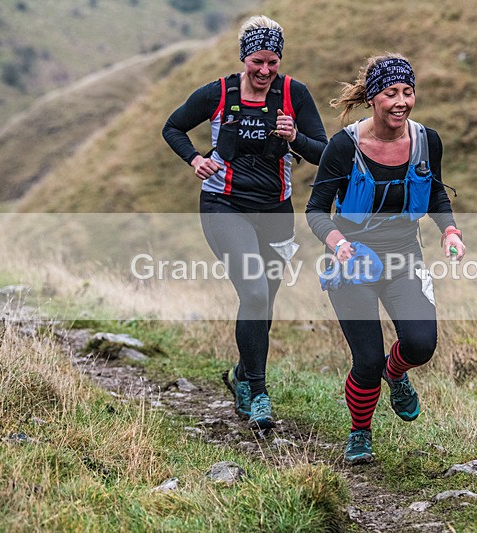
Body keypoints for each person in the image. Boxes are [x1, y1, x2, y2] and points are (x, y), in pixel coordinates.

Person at [162, 15, 327, 430]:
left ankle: (241, 375)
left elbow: (324, 153)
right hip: (224, 206)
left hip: (275, 211)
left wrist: (295, 139)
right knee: (253, 289)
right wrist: (195, 159)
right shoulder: (219, 92)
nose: (265, 71)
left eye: (273, 62)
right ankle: (258, 391)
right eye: (258, 62)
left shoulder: (294, 94)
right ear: (243, 57)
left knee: (263, 304)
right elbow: (173, 126)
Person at [305, 53, 466, 464]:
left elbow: (434, 194)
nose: (401, 101)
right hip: (352, 262)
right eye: (391, 92)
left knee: (420, 343)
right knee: (367, 358)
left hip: (403, 257)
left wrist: (449, 230)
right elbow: (315, 211)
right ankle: (360, 432)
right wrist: (338, 243)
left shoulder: (426, 141)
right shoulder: (344, 146)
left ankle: (395, 374)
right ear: (373, 98)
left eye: (408, 92)